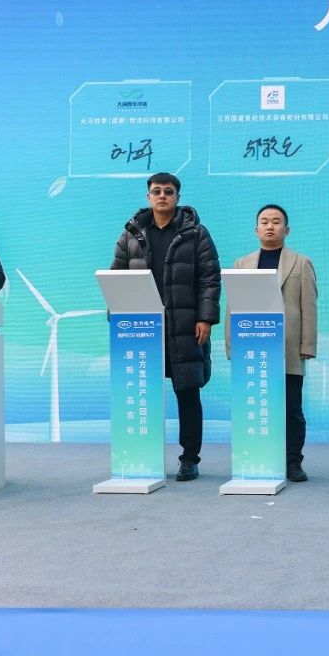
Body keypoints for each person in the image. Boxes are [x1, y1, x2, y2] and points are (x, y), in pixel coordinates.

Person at [111, 172, 221, 482]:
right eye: (157, 191)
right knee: (142, 392)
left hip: (185, 325)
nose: (162, 196)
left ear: (177, 197)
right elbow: (116, 277)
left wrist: (205, 318)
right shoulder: (131, 234)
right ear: (148, 196)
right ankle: (142, 455)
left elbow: (210, 278)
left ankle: (190, 459)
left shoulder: (196, 233)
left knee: (187, 392)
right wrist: (116, 318)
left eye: (168, 191)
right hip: (141, 328)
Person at [226, 204, 319, 481]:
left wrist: (307, 345)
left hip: (288, 347)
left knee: (291, 408)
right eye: (265, 221)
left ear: (286, 230)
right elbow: (232, 308)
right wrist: (232, 345)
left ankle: (293, 462)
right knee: (255, 405)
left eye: (276, 222)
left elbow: (309, 306)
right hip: (252, 348)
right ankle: (258, 457)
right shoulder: (242, 264)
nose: (270, 226)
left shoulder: (300, 262)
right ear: (256, 230)